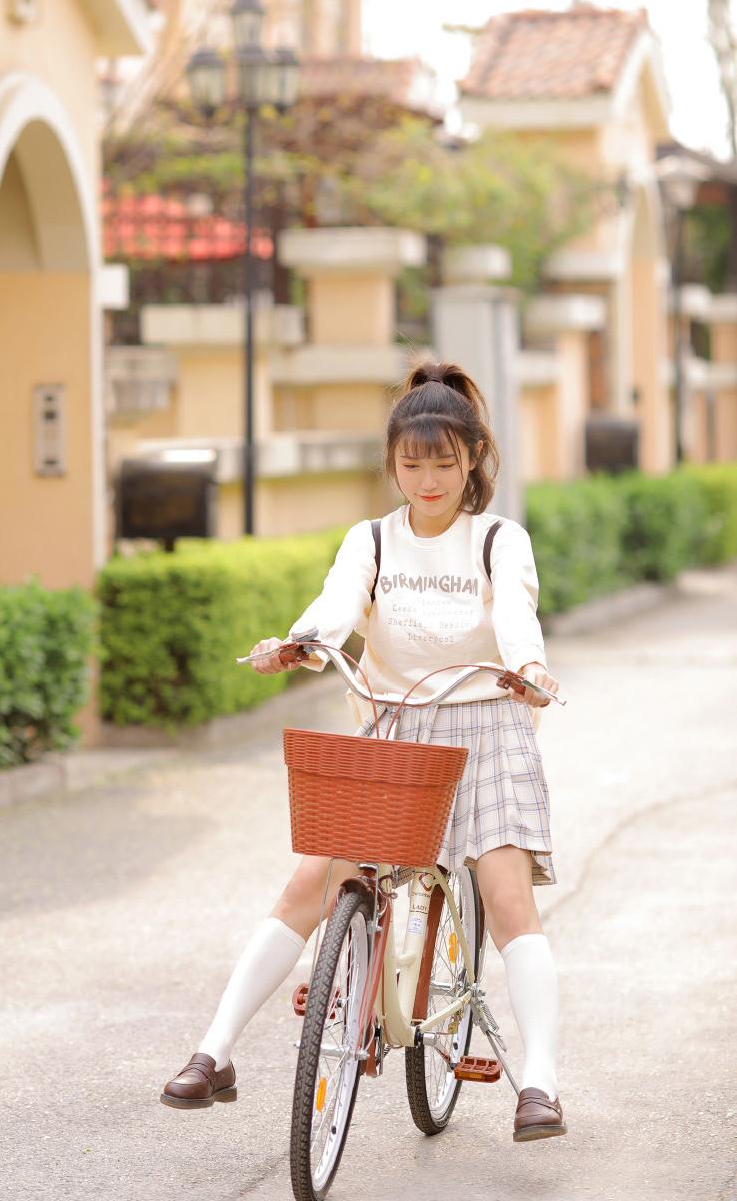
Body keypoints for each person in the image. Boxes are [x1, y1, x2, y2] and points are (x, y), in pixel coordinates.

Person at [161, 359, 566, 1143]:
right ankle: (214, 1052)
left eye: (443, 462)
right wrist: (299, 643)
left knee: (510, 899)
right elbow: (337, 606)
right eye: (411, 464)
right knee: (310, 882)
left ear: (473, 459)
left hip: (487, 726)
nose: (427, 480)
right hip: (395, 728)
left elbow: (516, 618)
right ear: (393, 464)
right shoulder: (372, 539)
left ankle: (540, 1082)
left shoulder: (497, 541)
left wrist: (531, 670)